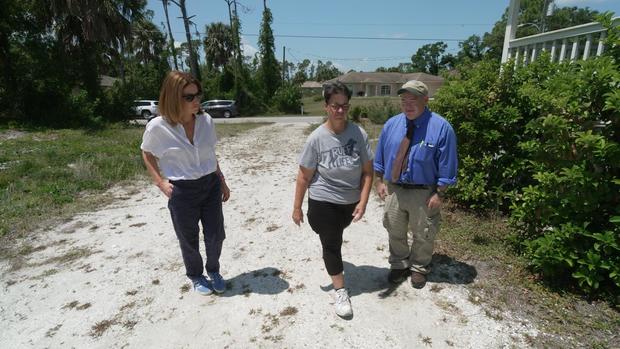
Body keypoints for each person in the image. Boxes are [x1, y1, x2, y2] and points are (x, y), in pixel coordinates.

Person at [140, 71, 230, 296]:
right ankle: (196, 275)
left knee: (215, 234)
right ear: (172, 97)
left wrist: (222, 181)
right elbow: (147, 153)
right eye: (189, 97)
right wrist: (160, 182)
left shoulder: (206, 122)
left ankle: (213, 271)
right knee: (188, 238)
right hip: (182, 190)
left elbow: (211, 154)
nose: (196, 101)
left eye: (197, 95)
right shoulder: (157, 127)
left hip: (210, 185)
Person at [292, 82, 373, 318]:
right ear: (327, 107)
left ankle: (334, 262)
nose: (340, 111)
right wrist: (297, 207)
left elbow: (368, 172)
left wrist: (363, 202)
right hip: (323, 199)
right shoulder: (316, 139)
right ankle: (340, 291)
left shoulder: (359, 134)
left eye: (344, 106)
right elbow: (303, 177)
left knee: (336, 234)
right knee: (331, 242)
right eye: (335, 106)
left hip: (349, 201)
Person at [373, 80, 457, 289]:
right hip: (395, 189)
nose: (407, 105)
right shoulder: (392, 125)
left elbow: (447, 164)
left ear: (426, 100)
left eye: (413, 100)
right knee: (394, 229)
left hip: (424, 192)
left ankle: (419, 267)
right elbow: (380, 156)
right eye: (404, 100)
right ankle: (399, 264)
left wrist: (439, 193)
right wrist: (379, 181)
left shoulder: (441, 128)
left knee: (424, 232)